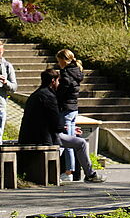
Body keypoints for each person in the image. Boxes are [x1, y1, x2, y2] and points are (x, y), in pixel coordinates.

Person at [18, 68, 106, 183]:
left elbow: (47, 121)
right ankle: (90, 174)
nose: (59, 84)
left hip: (30, 135)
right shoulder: (49, 97)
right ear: (53, 81)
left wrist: (67, 128)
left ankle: (69, 172)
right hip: (43, 137)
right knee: (81, 143)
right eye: (58, 81)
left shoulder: (35, 95)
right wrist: (68, 129)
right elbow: (56, 125)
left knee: (69, 142)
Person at [55, 49, 83, 181]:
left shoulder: (65, 73)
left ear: (63, 60)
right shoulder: (77, 71)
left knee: (64, 142)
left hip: (65, 109)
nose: (58, 63)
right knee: (71, 142)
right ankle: (70, 171)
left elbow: (61, 92)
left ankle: (67, 172)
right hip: (74, 108)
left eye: (58, 61)